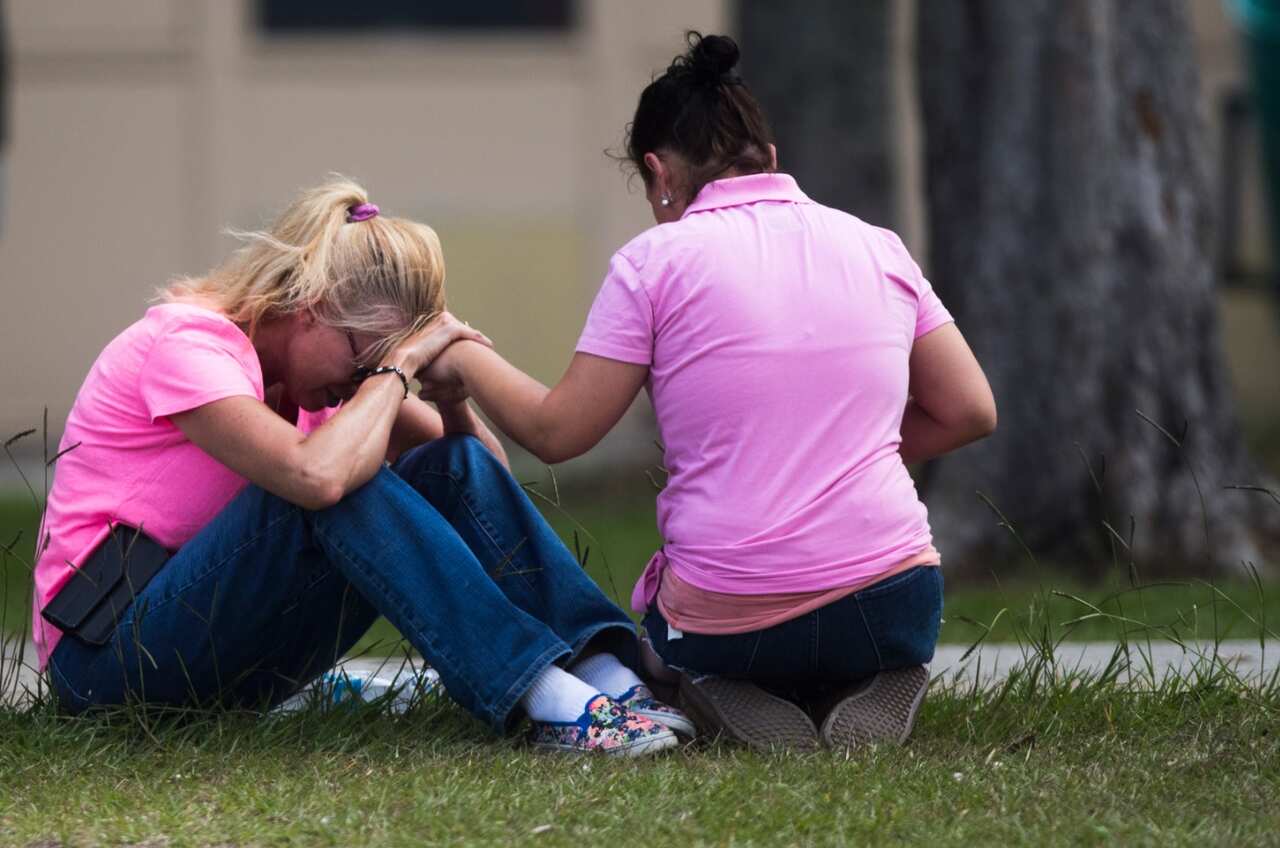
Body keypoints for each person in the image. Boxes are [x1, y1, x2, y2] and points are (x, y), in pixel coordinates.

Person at [416, 34, 997, 750]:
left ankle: (714, 685)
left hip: (733, 618)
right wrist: (844, 450)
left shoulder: (655, 261)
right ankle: (876, 677)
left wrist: (463, 356)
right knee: (851, 624)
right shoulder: (878, 245)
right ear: (770, 157)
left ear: (659, 173)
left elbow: (558, 433)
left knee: (660, 651)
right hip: (895, 602)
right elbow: (972, 409)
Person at [33, 178, 691, 756]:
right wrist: (396, 370)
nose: (358, 383)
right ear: (309, 305)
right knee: (334, 485)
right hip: (105, 663)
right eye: (358, 359)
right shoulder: (187, 344)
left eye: (374, 365)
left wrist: (452, 395)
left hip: (220, 663)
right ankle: (546, 698)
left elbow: (475, 480)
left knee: (430, 463)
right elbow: (312, 478)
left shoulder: (337, 393)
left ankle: (611, 673)